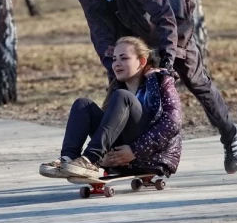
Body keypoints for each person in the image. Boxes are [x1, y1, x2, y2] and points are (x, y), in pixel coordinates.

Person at [74, 0, 237, 174]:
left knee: (195, 81)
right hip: (132, 31)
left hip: (175, 26)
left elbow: (165, 17)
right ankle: (120, 153)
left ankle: (230, 133)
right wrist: (113, 66)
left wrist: (167, 60)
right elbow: (101, 37)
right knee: (121, 86)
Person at [39, 36, 182, 179]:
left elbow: (173, 123)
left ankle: (90, 160)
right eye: (114, 59)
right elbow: (108, 128)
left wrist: (135, 151)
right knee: (82, 104)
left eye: (124, 58)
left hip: (150, 154)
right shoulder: (116, 87)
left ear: (142, 61)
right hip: (120, 153)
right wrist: (105, 158)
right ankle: (68, 159)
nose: (117, 64)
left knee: (123, 96)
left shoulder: (161, 81)